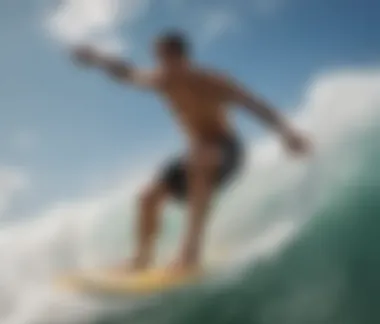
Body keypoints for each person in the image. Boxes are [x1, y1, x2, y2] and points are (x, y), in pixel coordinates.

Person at [71, 30, 311, 274]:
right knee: (147, 197)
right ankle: (141, 259)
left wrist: (288, 134)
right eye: (158, 59)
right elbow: (126, 73)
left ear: (182, 58)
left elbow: (255, 105)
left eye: (166, 58)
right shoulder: (161, 80)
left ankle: (190, 253)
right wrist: (96, 58)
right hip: (196, 153)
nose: (161, 66)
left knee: (201, 157)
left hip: (226, 149)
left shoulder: (212, 81)